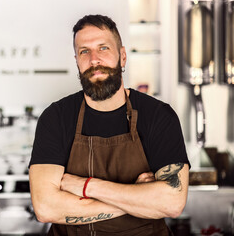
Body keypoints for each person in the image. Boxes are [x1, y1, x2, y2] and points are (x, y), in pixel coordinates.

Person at [29, 14, 190, 236]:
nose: (94, 59)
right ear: (76, 60)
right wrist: (138, 198)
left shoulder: (159, 116)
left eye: (103, 48)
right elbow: (46, 208)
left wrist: (86, 187)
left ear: (122, 57)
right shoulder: (56, 118)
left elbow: (172, 203)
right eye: (84, 51)